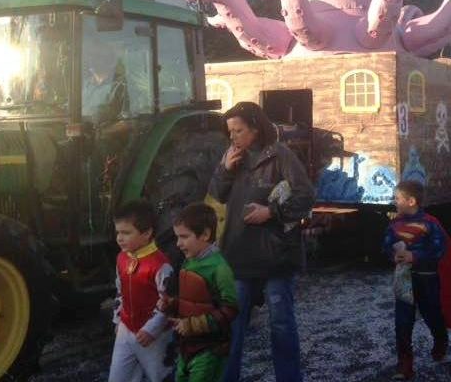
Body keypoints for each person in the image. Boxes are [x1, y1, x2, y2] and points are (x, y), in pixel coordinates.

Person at [210, 101, 315, 382]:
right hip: (240, 256)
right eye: (230, 131)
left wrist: (271, 212)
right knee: (232, 327)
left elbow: (306, 196)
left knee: (281, 326)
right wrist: (224, 170)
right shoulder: (232, 157)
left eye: (239, 130)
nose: (233, 137)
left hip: (276, 256)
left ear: (256, 129)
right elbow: (217, 195)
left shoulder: (281, 156)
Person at [159, 203, 239, 382]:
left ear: (205, 234)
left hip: (210, 349)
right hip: (187, 346)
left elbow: (230, 309)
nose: (178, 244)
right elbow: (192, 301)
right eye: (177, 237)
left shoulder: (219, 269)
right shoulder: (189, 262)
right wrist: (172, 304)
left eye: (184, 237)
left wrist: (193, 325)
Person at [382, 180, 448, 380]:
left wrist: (415, 257)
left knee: (432, 315)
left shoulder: (430, 224)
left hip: (427, 279)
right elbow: (386, 245)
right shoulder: (394, 225)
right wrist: (392, 255)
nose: (395, 202)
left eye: (398, 199)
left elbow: (439, 249)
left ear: (411, 201)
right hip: (404, 279)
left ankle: (440, 339)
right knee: (402, 322)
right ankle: (404, 364)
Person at [108, 199, 174, 382]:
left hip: (155, 337)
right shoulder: (121, 258)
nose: (119, 238)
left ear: (147, 233)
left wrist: (151, 330)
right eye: (118, 232)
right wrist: (118, 320)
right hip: (126, 329)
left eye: (126, 233)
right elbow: (120, 292)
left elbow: (169, 302)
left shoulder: (161, 265)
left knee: (160, 376)